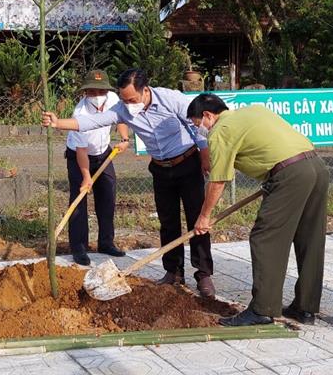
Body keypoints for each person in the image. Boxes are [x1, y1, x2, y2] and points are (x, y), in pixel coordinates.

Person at [42, 68, 216, 298]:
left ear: (146, 90)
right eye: (124, 99)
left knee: (197, 219)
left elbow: (198, 124)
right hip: (161, 169)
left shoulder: (171, 98)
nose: (128, 104)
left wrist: (204, 154)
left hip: (187, 162)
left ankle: (203, 275)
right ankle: (173, 272)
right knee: (168, 221)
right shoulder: (124, 109)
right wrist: (57, 123)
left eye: (132, 99)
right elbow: (91, 122)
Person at [187, 93, 329, 326]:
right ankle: (305, 308)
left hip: (290, 174)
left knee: (265, 238)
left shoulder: (220, 130)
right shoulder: (252, 111)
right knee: (310, 239)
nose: (199, 130)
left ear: (207, 115)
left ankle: (262, 309)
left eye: (197, 124)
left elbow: (218, 179)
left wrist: (204, 216)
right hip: (315, 166)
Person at [64, 70, 130, 266]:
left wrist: (125, 139)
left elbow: (121, 119)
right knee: (79, 200)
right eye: (91, 92)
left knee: (108, 196)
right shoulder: (80, 113)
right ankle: (79, 248)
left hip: (104, 153)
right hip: (79, 157)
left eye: (100, 91)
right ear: (85, 93)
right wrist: (86, 177)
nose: (96, 96)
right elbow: (81, 151)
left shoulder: (113, 99)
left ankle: (106, 243)